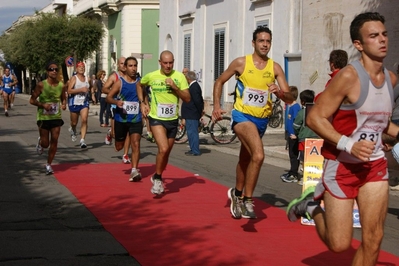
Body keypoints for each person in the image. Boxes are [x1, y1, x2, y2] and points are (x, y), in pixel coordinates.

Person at [287, 12, 398, 265]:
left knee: (374, 238)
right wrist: (349, 144)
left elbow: (380, 124)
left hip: (374, 166)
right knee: (339, 244)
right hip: (342, 167)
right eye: (373, 36)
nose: (382, 40)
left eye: (384, 34)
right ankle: (311, 207)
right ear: (359, 44)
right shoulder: (348, 77)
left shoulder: (391, 80)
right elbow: (315, 118)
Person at [212, 26, 293, 219]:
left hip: (261, 120)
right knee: (258, 155)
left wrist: (279, 92)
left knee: (246, 159)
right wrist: (216, 105)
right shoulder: (241, 62)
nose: (265, 45)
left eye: (268, 41)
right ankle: (248, 199)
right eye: (261, 41)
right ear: (253, 43)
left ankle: (237, 194)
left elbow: (289, 97)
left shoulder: (274, 67)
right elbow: (219, 81)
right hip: (242, 116)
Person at [137, 50, 190, 195]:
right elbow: (139, 85)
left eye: (171, 63)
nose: (168, 66)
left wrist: (175, 87)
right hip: (156, 118)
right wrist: (143, 102)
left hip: (172, 119)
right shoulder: (152, 76)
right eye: (165, 63)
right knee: (164, 149)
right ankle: (159, 180)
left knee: (166, 154)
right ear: (160, 62)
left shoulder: (179, 77)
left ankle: (156, 175)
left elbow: (187, 98)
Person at [106, 57, 143, 181]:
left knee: (136, 144)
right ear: (125, 68)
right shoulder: (120, 82)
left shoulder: (140, 82)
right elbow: (108, 98)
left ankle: (134, 170)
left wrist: (145, 105)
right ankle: (112, 135)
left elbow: (144, 98)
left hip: (135, 118)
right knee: (118, 146)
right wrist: (116, 102)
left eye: (135, 66)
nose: (133, 68)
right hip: (121, 119)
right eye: (130, 66)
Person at [29, 61, 66, 175]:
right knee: (46, 144)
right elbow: (32, 100)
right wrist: (43, 105)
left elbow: (63, 98)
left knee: (54, 140)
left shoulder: (61, 85)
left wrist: (64, 104)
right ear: (47, 71)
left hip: (56, 117)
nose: (54, 71)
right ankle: (41, 142)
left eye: (56, 69)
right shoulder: (41, 85)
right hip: (43, 117)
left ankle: (49, 164)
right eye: (51, 69)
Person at [102, 57, 132, 164]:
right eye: (122, 64)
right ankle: (111, 133)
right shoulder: (114, 76)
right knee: (117, 135)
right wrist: (114, 92)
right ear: (118, 65)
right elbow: (104, 89)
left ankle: (125, 154)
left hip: (128, 107)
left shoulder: (131, 77)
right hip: (115, 106)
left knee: (129, 131)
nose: (124, 66)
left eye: (125, 64)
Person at [292, 89, 319, 185]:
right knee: (316, 158)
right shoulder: (317, 111)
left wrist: (298, 134)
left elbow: (296, 126)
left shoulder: (302, 112)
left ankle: (305, 177)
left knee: (304, 159)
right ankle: (316, 177)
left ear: (302, 101)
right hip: (318, 139)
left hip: (304, 139)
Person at [67, 61, 90, 148]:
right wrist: (81, 90)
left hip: (84, 103)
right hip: (74, 103)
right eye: (80, 67)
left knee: (84, 120)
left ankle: (82, 140)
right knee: (74, 122)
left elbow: (89, 88)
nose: (82, 68)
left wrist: (92, 92)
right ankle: (73, 129)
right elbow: (69, 91)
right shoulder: (74, 78)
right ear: (76, 68)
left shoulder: (88, 79)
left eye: (83, 67)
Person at [280, 86, 301, 182]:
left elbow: (297, 121)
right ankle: (291, 171)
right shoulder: (290, 106)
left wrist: (295, 134)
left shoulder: (296, 107)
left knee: (294, 155)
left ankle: (294, 174)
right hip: (290, 134)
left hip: (293, 136)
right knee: (291, 154)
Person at [181, 70, 204, 156]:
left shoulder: (194, 87)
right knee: (190, 132)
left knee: (192, 132)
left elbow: (197, 100)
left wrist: (200, 111)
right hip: (191, 113)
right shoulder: (194, 86)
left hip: (192, 114)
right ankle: (192, 149)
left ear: (188, 78)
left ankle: (195, 150)